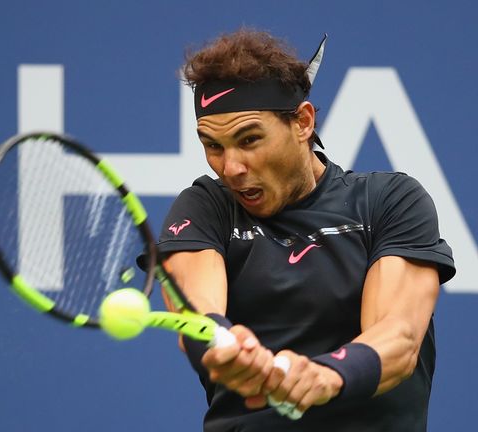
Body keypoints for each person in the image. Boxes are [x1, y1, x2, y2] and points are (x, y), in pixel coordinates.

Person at [157, 29, 456, 431]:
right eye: (213, 145)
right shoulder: (205, 208)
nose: (231, 167)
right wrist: (224, 346)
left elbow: (399, 338)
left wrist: (325, 375)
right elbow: (196, 317)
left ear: (302, 121)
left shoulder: (389, 201)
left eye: (249, 139)